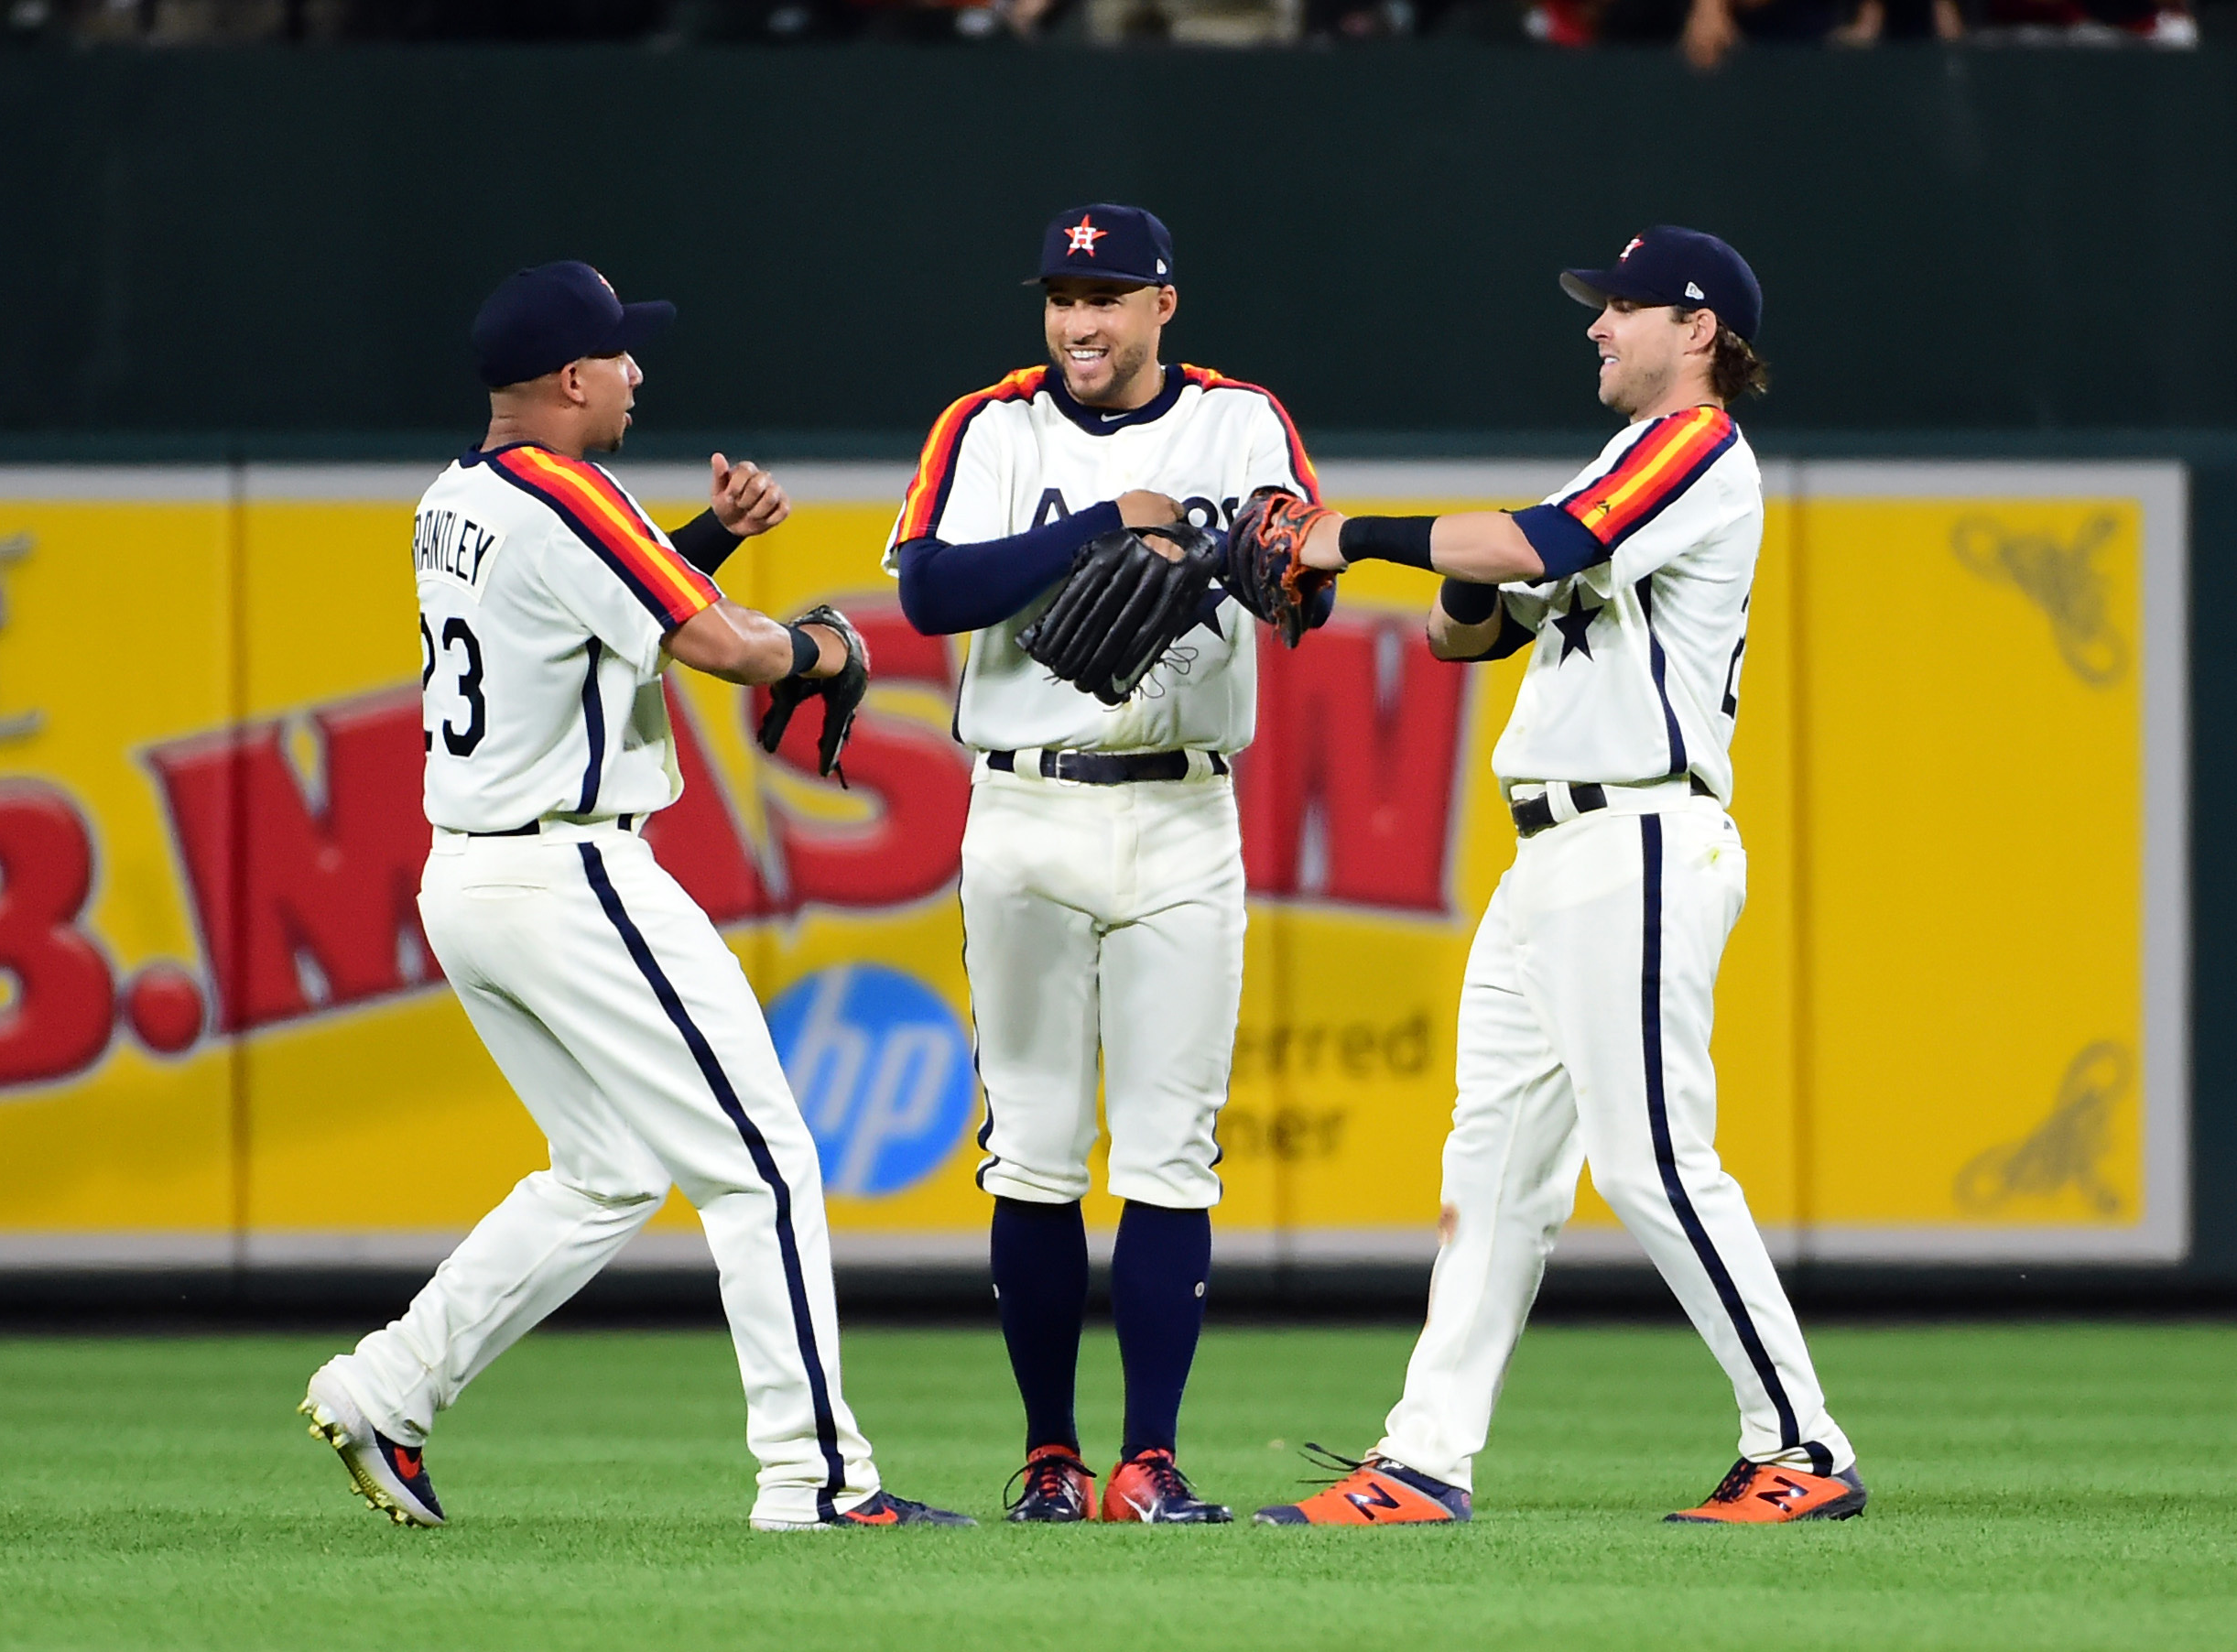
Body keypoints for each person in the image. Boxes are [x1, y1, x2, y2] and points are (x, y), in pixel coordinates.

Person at [299, 260, 971, 1533]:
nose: (637, 374)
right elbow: (720, 644)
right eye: (619, 356)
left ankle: (385, 1387)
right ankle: (815, 1481)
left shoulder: (459, 495)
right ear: (568, 378)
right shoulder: (572, 491)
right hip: (573, 869)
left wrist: (707, 545)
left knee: (606, 1169)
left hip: (474, 877)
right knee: (764, 1163)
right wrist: (827, 649)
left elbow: (591, 612)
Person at [1254, 227, 1864, 1527]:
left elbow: (1541, 546)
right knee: (1493, 1174)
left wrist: (1349, 531)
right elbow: (1460, 629)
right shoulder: (1625, 458)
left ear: (1698, 332)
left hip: (1639, 838)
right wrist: (1427, 566)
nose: (1596, 326)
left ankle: (1803, 1446)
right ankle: (1423, 1459)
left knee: (1651, 1159)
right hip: (1552, 859)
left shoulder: (1695, 448)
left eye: (1624, 307)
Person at [885, 204, 1319, 1525]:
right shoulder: (989, 424)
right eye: (1064, 296)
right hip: (1024, 809)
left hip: (1186, 813)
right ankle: (1048, 1456)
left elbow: (1311, 592)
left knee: (1174, 1152)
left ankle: (1149, 1458)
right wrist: (1101, 530)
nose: (1080, 321)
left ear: (1163, 307)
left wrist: (1254, 565)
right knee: (1032, 1147)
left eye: (1110, 295)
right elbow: (929, 594)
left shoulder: (1244, 422)